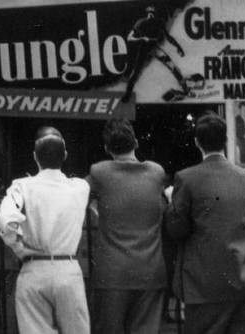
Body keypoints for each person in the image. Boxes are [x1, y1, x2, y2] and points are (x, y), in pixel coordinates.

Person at [163, 113, 245, 334]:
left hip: (204, 284)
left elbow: (177, 230)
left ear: (196, 142)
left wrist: (170, 207)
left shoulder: (186, 178)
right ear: (226, 140)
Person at [0, 129, 90, 334]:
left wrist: (18, 246)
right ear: (65, 156)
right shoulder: (80, 187)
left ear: (34, 157)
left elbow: (6, 220)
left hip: (34, 268)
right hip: (68, 268)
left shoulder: (22, 186)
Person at [86, 120, 167, 334]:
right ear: (137, 143)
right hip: (151, 271)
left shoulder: (99, 172)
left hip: (111, 274)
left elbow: (78, 197)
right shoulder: (156, 172)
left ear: (106, 148)